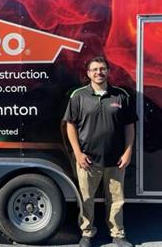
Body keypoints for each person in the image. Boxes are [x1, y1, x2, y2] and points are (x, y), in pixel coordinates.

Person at [63, 56, 137, 247]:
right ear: (88, 73)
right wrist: (78, 153)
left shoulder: (121, 95)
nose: (99, 72)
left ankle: (118, 234)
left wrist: (128, 152)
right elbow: (70, 126)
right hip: (87, 160)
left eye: (102, 69)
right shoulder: (78, 96)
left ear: (108, 71)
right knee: (86, 199)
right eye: (94, 69)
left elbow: (129, 127)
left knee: (116, 200)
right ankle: (87, 233)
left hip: (116, 159)